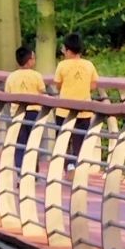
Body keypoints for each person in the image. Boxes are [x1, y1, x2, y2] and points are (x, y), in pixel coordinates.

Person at [53, 32, 98, 166]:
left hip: (63, 110)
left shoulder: (62, 65)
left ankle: (67, 166)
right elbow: (94, 85)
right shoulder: (89, 65)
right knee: (80, 140)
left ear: (67, 50)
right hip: (84, 109)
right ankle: (78, 167)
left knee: (63, 140)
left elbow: (58, 85)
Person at [4, 43, 48, 179]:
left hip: (17, 113)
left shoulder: (11, 77)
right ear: (29, 61)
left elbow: (7, 93)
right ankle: (32, 172)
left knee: (20, 144)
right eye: (33, 58)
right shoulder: (36, 76)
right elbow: (42, 91)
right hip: (34, 113)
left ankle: (20, 172)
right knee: (33, 143)